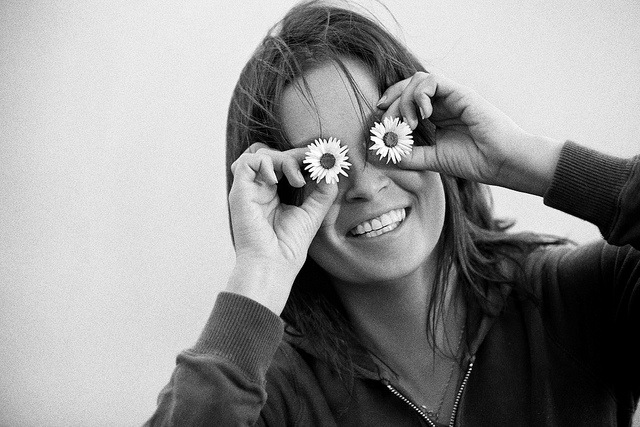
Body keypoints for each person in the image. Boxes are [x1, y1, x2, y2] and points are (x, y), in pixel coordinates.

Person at [145, 1, 640, 425]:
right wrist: (259, 272)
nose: (364, 185)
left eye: (382, 137)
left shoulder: (584, 300)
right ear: (283, 195)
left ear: (428, 131)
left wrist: (523, 160)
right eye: (323, 164)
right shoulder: (274, 397)